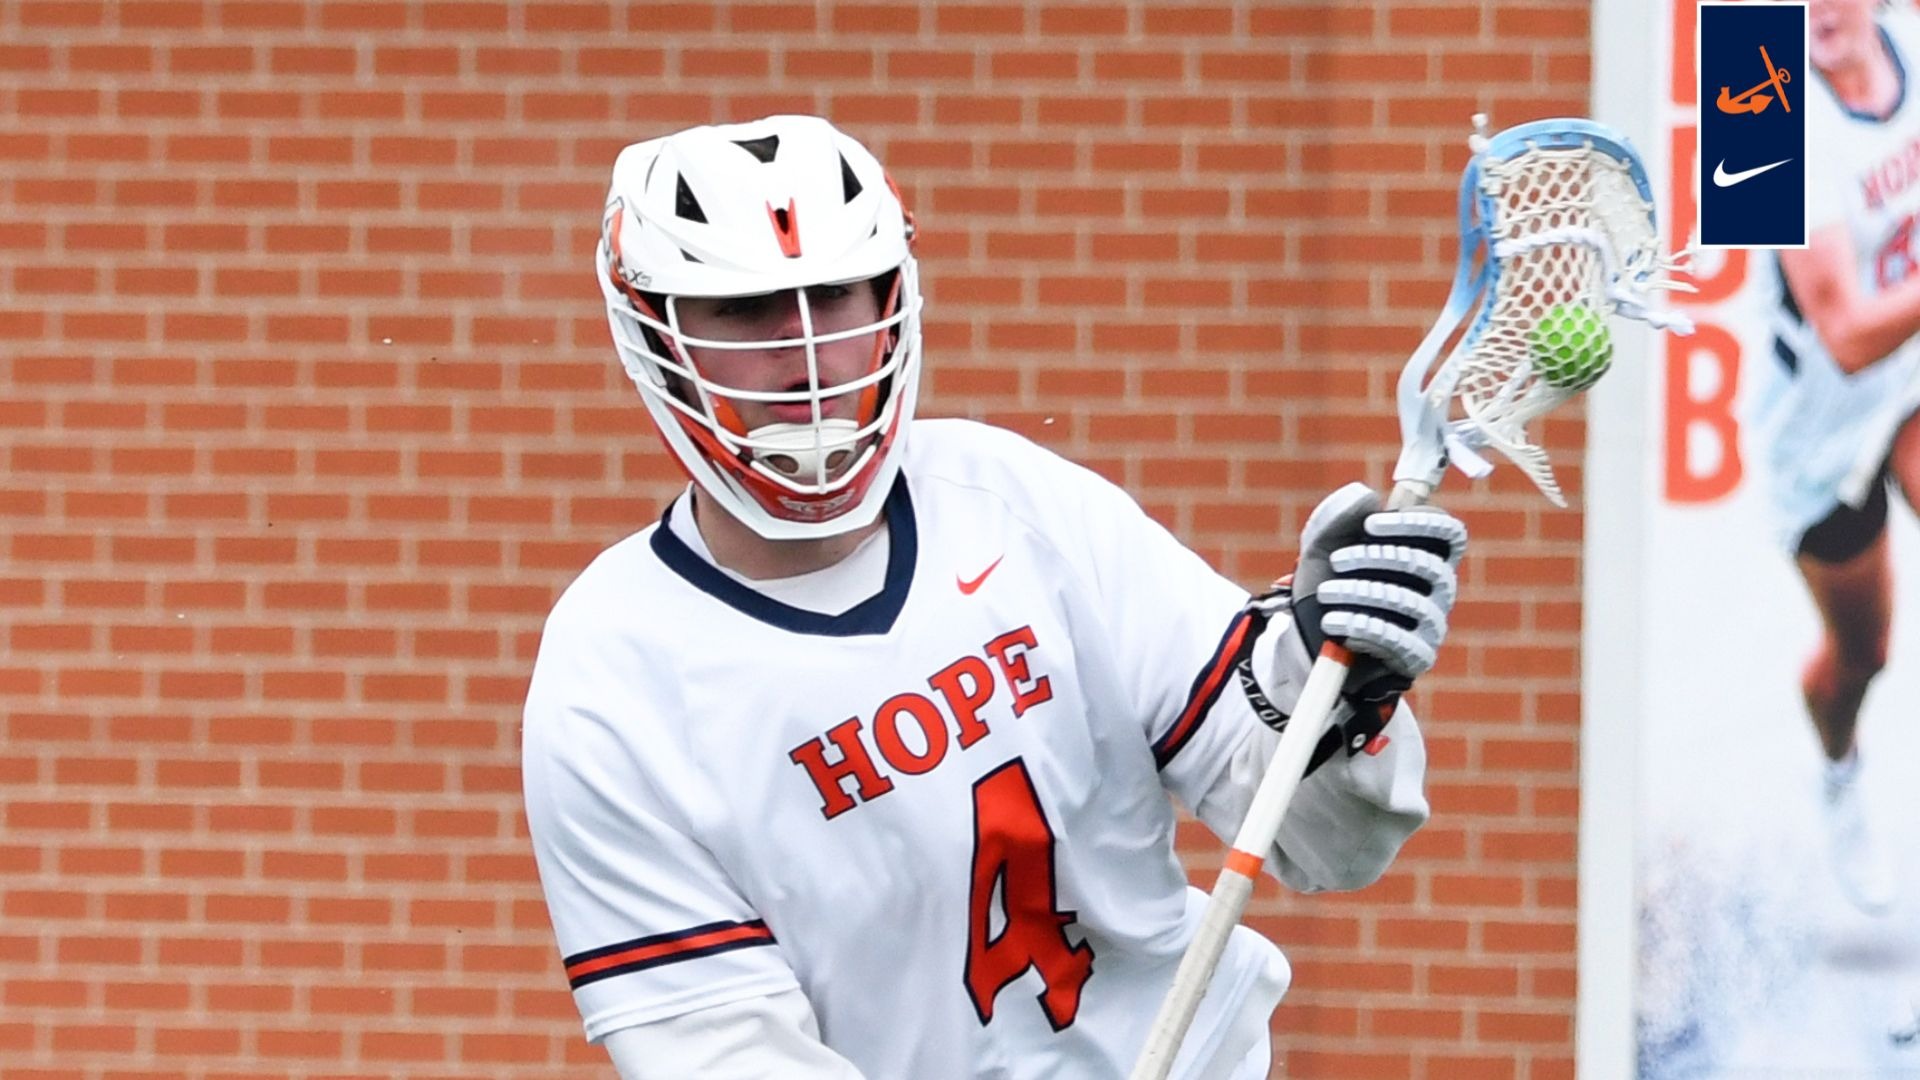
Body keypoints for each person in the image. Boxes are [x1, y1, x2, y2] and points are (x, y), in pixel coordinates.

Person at [520, 114, 1468, 1079]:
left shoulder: (1015, 501)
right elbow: (726, 1059)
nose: (807, 353)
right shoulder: (610, 677)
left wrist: (1338, 683)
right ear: (653, 334)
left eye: (834, 294)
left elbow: (1327, 847)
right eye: (747, 309)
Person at [1757, 0, 1920, 916]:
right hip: (1817, 418)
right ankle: (1838, 767)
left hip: (1914, 375)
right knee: (1866, 653)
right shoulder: (1752, 86)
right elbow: (1850, 336)